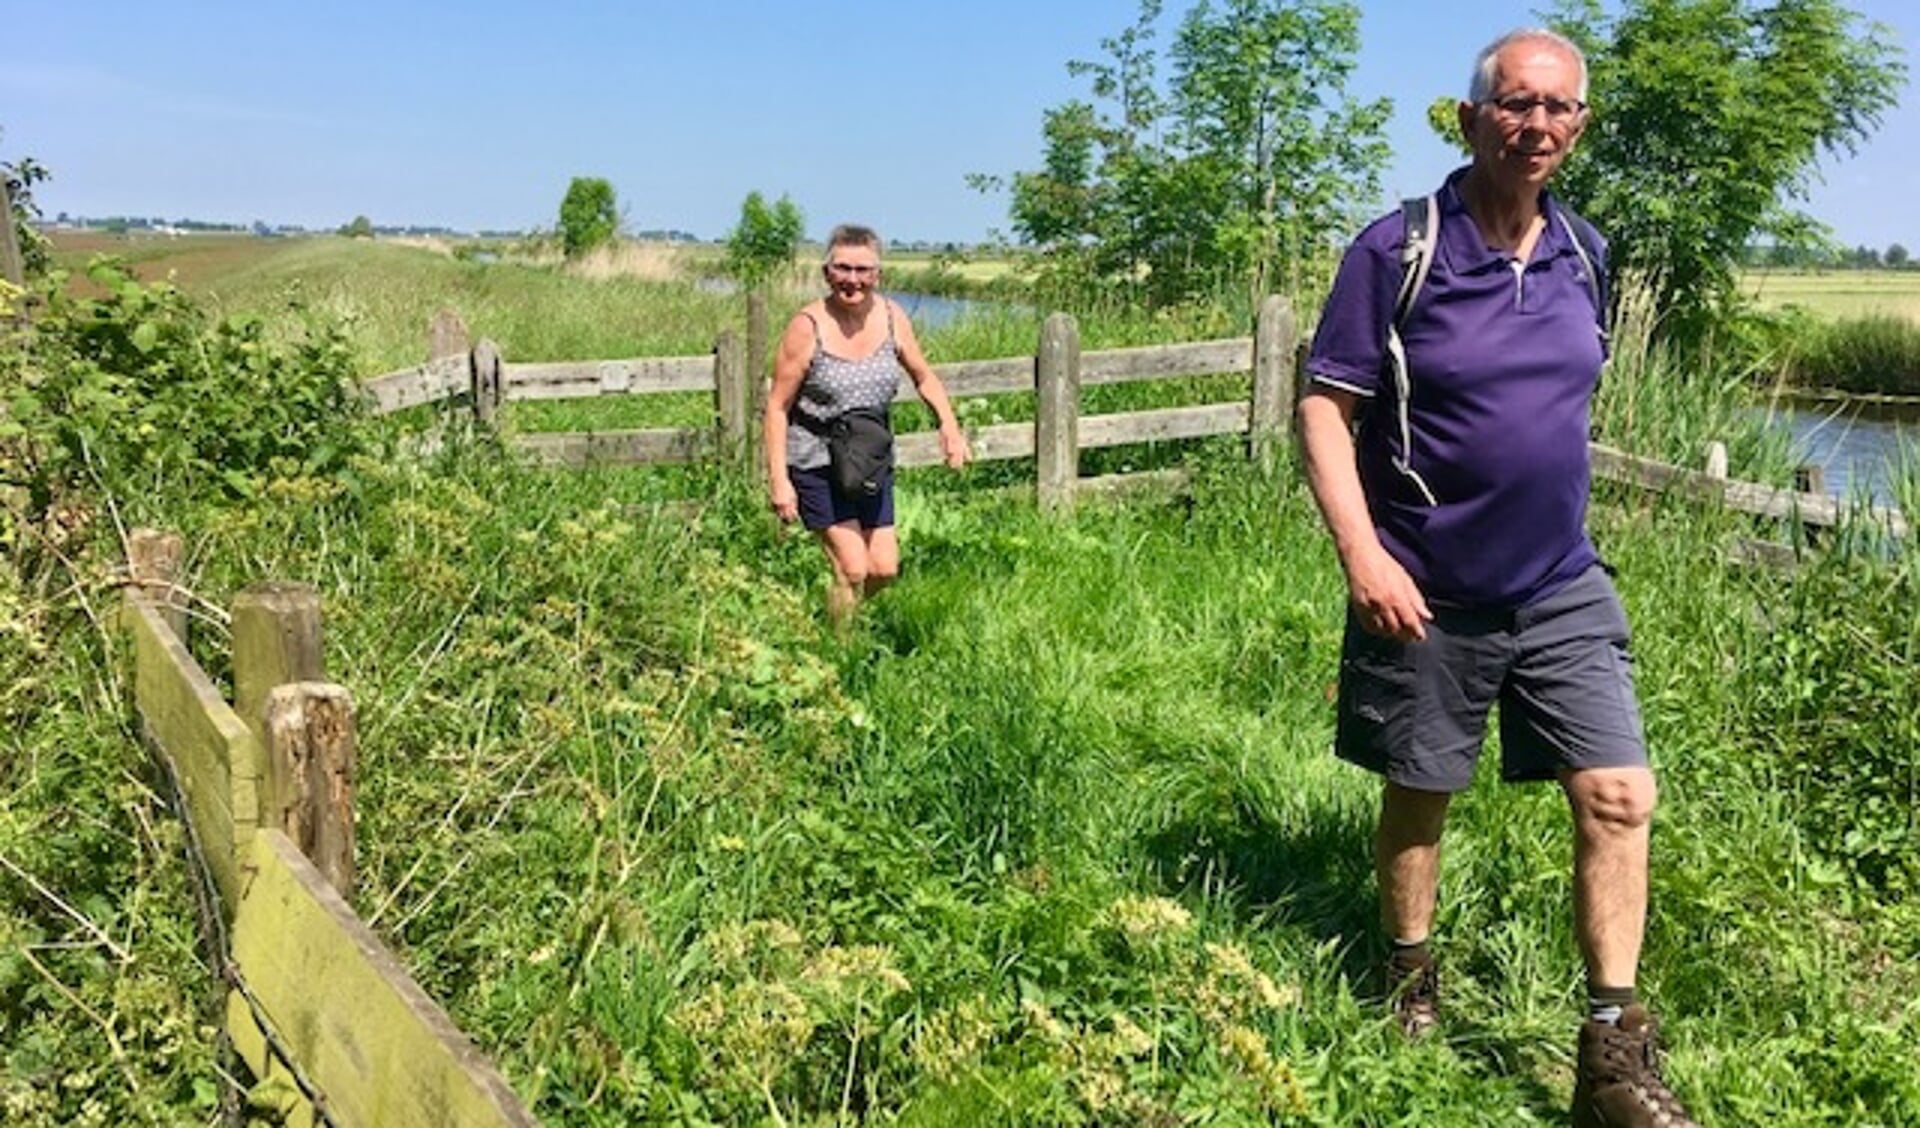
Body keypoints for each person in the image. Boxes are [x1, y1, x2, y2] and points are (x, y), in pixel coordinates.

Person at [1297, 29, 1697, 1128]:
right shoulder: (1397, 251)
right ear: (1470, 119)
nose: (1538, 126)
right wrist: (1364, 552)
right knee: (1421, 794)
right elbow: (1325, 409)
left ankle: (1613, 1055)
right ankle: (1409, 974)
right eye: (1516, 105)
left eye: (1560, 109)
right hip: (1425, 579)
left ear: (1580, 127)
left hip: (1561, 580)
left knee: (1620, 795)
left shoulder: (1587, 254)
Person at [763, 224, 970, 625]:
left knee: (884, 569)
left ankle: (841, 619)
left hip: (869, 460)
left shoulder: (893, 318)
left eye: (863, 270)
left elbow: (924, 376)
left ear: (878, 275)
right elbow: (776, 407)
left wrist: (949, 427)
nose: (852, 280)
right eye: (842, 268)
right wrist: (778, 480)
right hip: (816, 462)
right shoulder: (808, 326)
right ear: (827, 273)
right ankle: (839, 653)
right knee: (851, 567)